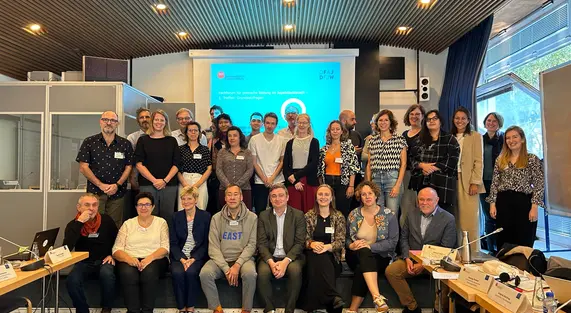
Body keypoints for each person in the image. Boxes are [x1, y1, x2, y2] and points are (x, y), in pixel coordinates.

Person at [385, 187, 457, 313]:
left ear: (437, 200)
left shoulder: (448, 219)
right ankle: (412, 307)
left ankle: (438, 309)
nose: (424, 203)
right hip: (412, 259)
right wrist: (407, 257)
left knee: (447, 279)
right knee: (391, 271)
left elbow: (446, 248)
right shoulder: (411, 214)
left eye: (429, 200)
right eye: (421, 200)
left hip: (437, 263)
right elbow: (404, 238)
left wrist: (424, 265)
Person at [199, 185, 258, 313]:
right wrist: (226, 268)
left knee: (250, 274)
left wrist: (237, 265)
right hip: (221, 259)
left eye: (235, 194)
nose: (232, 197)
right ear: (225, 198)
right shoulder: (216, 218)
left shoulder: (252, 217)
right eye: (229, 194)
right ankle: (217, 308)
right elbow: (213, 247)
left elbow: (252, 245)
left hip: (244, 260)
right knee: (205, 273)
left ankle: (246, 309)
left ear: (241, 197)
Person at [486, 126, 544, 249]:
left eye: (514, 137)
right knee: (504, 241)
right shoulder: (500, 160)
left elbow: (539, 183)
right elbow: (495, 183)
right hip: (503, 203)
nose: (511, 140)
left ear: (522, 139)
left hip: (523, 203)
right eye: (508, 138)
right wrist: (492, 204)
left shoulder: (532, 159)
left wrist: (534, 207)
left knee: (524, 241)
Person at [112, 192, 170, 313]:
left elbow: (165, 247)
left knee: (149, 273)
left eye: (147, 204)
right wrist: (129, 259)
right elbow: (116, 249)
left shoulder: (161, 223)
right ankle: (133, 311)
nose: (143, 207)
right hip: (130, 258)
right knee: (128, 274)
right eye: (140, 205)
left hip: (155, 259)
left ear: (153, 207)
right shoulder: (128, 224)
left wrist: (150, 258)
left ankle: (147, 311)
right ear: (136, 207)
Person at [345, 181, 397, 313]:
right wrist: (351, 245)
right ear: (360, 197)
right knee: (363, 253)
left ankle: (353, 309)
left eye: (370, 193)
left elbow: (392, 242)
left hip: (381, 256)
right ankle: (377, 297)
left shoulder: (388, 214)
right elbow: (346, 238)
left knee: (361, 267)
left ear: (376, 195)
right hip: (354, 254)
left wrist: (370, 247)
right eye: (363, 194)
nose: (367, 197)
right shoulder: (353, 214)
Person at [76, 110, 133, 228]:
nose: (109, 123)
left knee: (114, 225)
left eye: (113, 120)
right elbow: (83, 167)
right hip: (95, 193)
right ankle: (93, 247)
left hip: (117, 192)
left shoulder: (125, 144)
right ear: (100, 122)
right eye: (105, 120)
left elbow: (129, 167)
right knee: (92, 224)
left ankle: (113, 247)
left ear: (117, 123)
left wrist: (117, 184)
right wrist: (100, 185)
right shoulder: (89, 142)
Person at [64, 193, 118, 313]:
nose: (91, 208)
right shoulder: (72, 225)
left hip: (105, 259)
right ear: (79, 207)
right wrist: (80, 223)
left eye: (94, 205)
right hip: (84, 262)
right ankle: (82, 310)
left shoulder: (106, 220)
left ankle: (106, 309)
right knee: (72, 280)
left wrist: (112, 255)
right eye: (87, 205)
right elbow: (67, 247)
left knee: (107, 274)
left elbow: (118, 240)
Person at [256, 184, 306, 313]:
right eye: (274, 196)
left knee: (295, 271)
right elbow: (261, 243)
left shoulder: (298, 215)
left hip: (291, 256)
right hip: (270, 256)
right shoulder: (263, 215)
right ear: (270, 199)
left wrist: (285, 262)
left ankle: (289, 309)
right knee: (263, 273)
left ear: (287, 197)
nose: (277, 199)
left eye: (281, 195)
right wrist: (271, 263)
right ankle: (270, 308)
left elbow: (300, 243)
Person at [303, 184, 346, 313]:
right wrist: (311, 244)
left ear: (332, 198)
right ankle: (333, 298)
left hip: (332, 257)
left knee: (321, 260)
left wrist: (327, 247)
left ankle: (312, 306)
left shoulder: (338, 216)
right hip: (312, 254)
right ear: (316, 198)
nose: (323, 197)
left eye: (326, 194)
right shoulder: (308, 216)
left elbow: (341, 241)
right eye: (320, 194)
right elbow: (303, 239)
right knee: (317, 257)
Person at [170, 186, 211, 313]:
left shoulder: (205, 216)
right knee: (177, 273)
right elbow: (173, 243)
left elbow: (206, 243)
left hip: (197, 256)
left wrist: (193, 259)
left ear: (196, 200)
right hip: (179, 256)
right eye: (183, 199)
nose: (186, 201)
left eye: (189, 198)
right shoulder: (175, 217)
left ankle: (191, 306)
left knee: (191, 273)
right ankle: (181, 307)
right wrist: (182, 259)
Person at [409, 110, 459, 213]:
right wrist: (422, 165)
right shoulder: (418, 139)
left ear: (440, 121)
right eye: (428, 119)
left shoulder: (450, 139)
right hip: (422, 182)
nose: (431, 121)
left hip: (443, 184)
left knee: (444, 216)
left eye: (435, 118)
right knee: (423, 215)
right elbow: (411, 158)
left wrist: (431, 168)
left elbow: (453, 160)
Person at [135, 110, 180, 224]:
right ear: (152, 121)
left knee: (168, 216)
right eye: (156, 120)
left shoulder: (172, 141)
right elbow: (139, 164)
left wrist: (164, 181)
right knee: (148, 215)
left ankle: (166, 241)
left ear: (166, 122)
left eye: (162, 120)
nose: (159, 122)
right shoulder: (143, 140)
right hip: (148, 184)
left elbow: (176, 164)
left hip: (169, 185)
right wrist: (154, 181)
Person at [450, 107, 485, 252]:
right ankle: (458, 252)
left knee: (469, 220)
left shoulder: (476, 136)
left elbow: (479, 161)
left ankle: (473, 252)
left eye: (463, 118)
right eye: (457, 118)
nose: (460, 121)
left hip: (469, 182)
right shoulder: (449, 136)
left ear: (469, 120)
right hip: (451, 181)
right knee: (454, 219)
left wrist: (475, 182)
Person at [366, 109, 407, 215]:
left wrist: (397, 185)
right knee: (377, 213)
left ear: (391, 123)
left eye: (386, 120)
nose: (383, 123)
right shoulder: (372, 140)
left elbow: (403, 164)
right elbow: (369, 164)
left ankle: (393, 233)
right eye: (380, 120)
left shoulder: (399, 139)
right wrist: (368, 183)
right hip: (376, 179)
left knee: (391, 214)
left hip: (392, 179)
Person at [318, 120, 360, 217]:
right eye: (333, 129)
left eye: (337, 129)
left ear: (342, 131)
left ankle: (342, 232)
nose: (335, 131)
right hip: (327, 182)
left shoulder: (348, 147)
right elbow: (320, 169)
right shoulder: (324, 149)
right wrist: (321, 185)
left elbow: (353, 167)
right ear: (329, 132)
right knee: (328, 210)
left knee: (342, 211)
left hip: (343, 182)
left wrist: (351, 186)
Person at [249, 112, 286, 214]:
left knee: (278, 211)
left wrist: (272, 178)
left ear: (276, 125)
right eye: (268, 123)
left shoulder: (281, 140)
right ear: (263, 124)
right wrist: (265, 179)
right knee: (260, 211)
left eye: (273, 123)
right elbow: (254, 162)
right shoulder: (254, 140)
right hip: (260, 181)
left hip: (277, 180)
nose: (270, 126)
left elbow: (282, 161)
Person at [283, 113, 320, 212]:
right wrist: (294, 180)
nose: (302, 125)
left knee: (310, 212)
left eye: (304, 123)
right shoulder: (290, 143)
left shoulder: (314, 142)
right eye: (299, 122)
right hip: (292, 182)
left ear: (309, 124)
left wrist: (296, 176)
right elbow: (286, 165)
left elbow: (314, 163)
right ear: (296, 123)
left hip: (309, 180)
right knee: (294, 213)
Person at [479, 112, 504, 253]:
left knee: (501, 215)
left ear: (499, 123)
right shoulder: (480, 140)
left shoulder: (504, 140)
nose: (491, 123)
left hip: (501, 183)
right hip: (484, 182)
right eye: (489, 120)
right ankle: (490, 248)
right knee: (488, 216)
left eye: (494, 121)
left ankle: (502, 247)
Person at [216, 126, 254, 210]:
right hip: (225, 189)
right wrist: (228, 185)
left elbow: (250, 170)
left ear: (240, 137)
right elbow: (218, 170)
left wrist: (237, 185)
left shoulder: (247, 152)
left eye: (235, 135)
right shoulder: (222, 152)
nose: (232, 138)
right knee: (225, 215)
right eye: (229, 136)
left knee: (245, 215)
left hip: (244, 189)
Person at [177, 121, 212, 211]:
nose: (193, 133)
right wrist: (185, 184)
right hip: (184, 181)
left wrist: (197, 185)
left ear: (199, 133)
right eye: (190, 130)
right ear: (186, 133)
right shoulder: (180, 149)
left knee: (200, 208)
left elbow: (209, 168)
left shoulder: (204, 149)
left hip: (200, 181)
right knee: (183, 208)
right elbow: (176, 168)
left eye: (195, 130)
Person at [400, 104, 425, 226]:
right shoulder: (404, 134)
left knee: (421, 206)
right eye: (412, 114)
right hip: (406, 175)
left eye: (417, 114)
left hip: (421, 175)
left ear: (422, 116)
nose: (414, 116)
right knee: (406, 207)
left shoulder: (426, 134)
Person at [128, 107, 152, 191]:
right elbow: (130, 160)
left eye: (147, 117)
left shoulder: (160, 136)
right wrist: (132, 179)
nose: (145, 119)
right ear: (138, 120)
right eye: (142, 117)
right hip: (138, 178)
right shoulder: (132, 138)